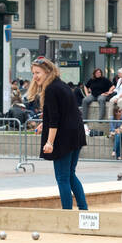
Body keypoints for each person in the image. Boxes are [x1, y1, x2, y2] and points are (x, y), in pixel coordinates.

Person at [29, 56, 88, 209]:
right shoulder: (61, 85)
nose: (35, 77)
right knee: (70, 174)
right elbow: (63, 112)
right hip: (75, 135)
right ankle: (83, 209)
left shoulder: (51, 89)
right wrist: (45, 123)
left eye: (38, 73)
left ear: (48, 72)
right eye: (33, 73)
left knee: (62, 178)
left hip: (64, 138)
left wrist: (49, 142)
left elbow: (55, 118)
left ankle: (67, 212)